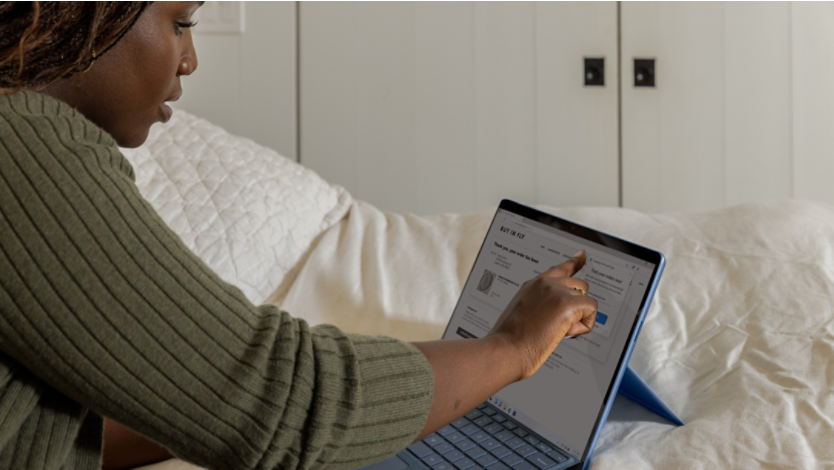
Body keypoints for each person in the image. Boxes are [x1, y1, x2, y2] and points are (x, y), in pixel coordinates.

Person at [0, 2, 598, 470]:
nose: (189, 60)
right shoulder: (21, 145)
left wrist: (193, 398)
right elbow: (284, 401)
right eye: (180, 23)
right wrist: (512, 348)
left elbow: (66, 410)